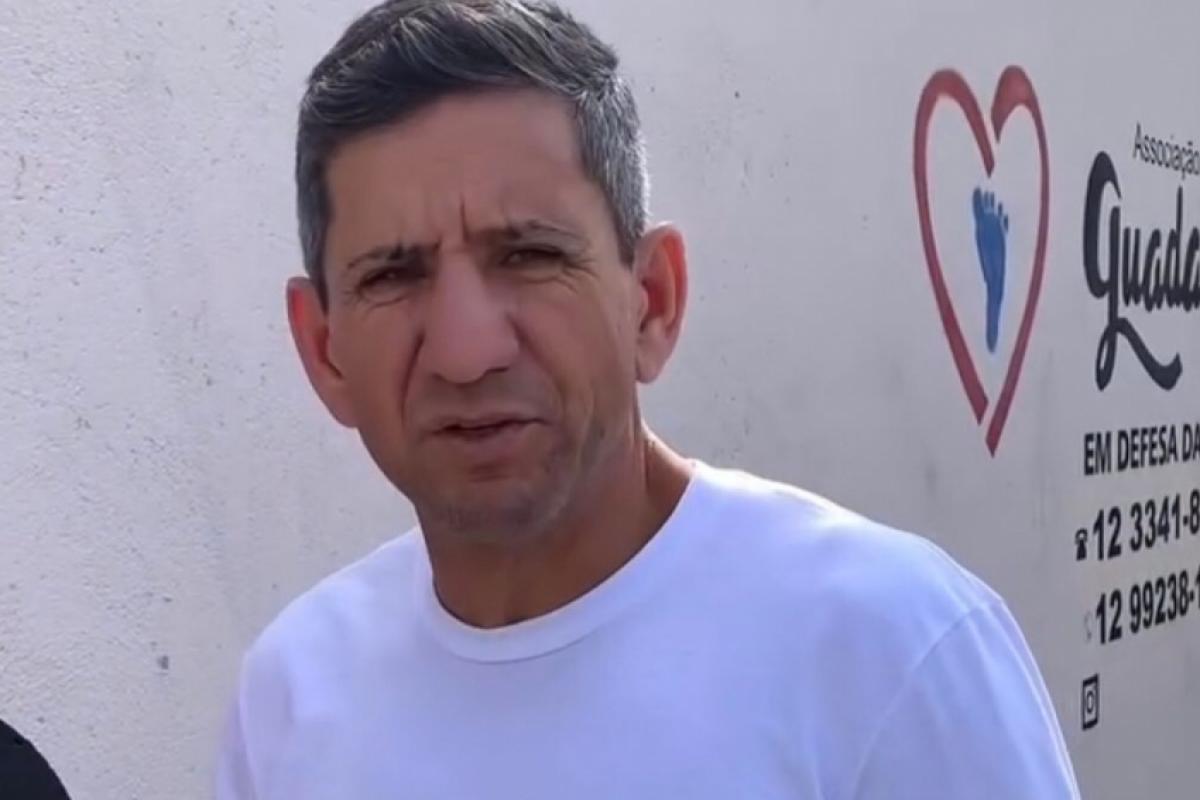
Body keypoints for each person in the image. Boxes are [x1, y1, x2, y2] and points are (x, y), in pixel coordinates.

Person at [215, 1, 1081, 797]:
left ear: (653, 302)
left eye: (530, 256)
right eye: (393, 275)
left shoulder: (892, 653)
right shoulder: (291, 698)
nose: (467, 352)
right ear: (323, 350)